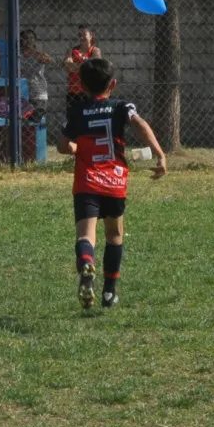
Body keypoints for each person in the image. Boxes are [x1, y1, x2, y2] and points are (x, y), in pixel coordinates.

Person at [56, 57, 167, 310]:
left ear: (82, 86)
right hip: (114, 182)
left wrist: (75, 147)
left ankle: (86, 263)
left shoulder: (77, 111)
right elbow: (140, 123)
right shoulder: (121, 106)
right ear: (113, 84)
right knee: (114, 235)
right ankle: (108, 292)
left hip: (86, 183)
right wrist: (159, 154)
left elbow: (63, 146)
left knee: (86, 235)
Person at [63, 24, 102, 113]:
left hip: (90, 92)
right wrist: (85, 64)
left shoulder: (95, 50)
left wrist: (75, 65)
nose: (81, 38)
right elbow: (67, 67)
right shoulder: (72, 50)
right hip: (73, 92)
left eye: (84, 35)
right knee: (73, 118)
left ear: (91, 35)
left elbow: (94, 67)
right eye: (79, 35)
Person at [20, 29, 53, 123]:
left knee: (34, 118)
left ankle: (36, 113)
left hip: (38, 93)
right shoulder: (18, 56)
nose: (29, 40)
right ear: (21, 40)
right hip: (22, 94)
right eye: (26, 38)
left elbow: (50, 60)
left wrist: (45, 58)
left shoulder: (39, 55)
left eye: (32, 38)